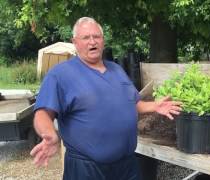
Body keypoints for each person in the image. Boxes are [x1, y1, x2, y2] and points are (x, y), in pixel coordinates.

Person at [30, 17, 182, 180]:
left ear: (103, 41)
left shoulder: (116, 70)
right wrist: (49, 134)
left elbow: (133, 103)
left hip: (127, 166)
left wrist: (155, 106)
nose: (92, 41)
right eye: (86, 37)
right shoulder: (60, 75)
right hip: (87, 170)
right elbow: (42, 113)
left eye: (96, 36)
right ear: (75, 42)